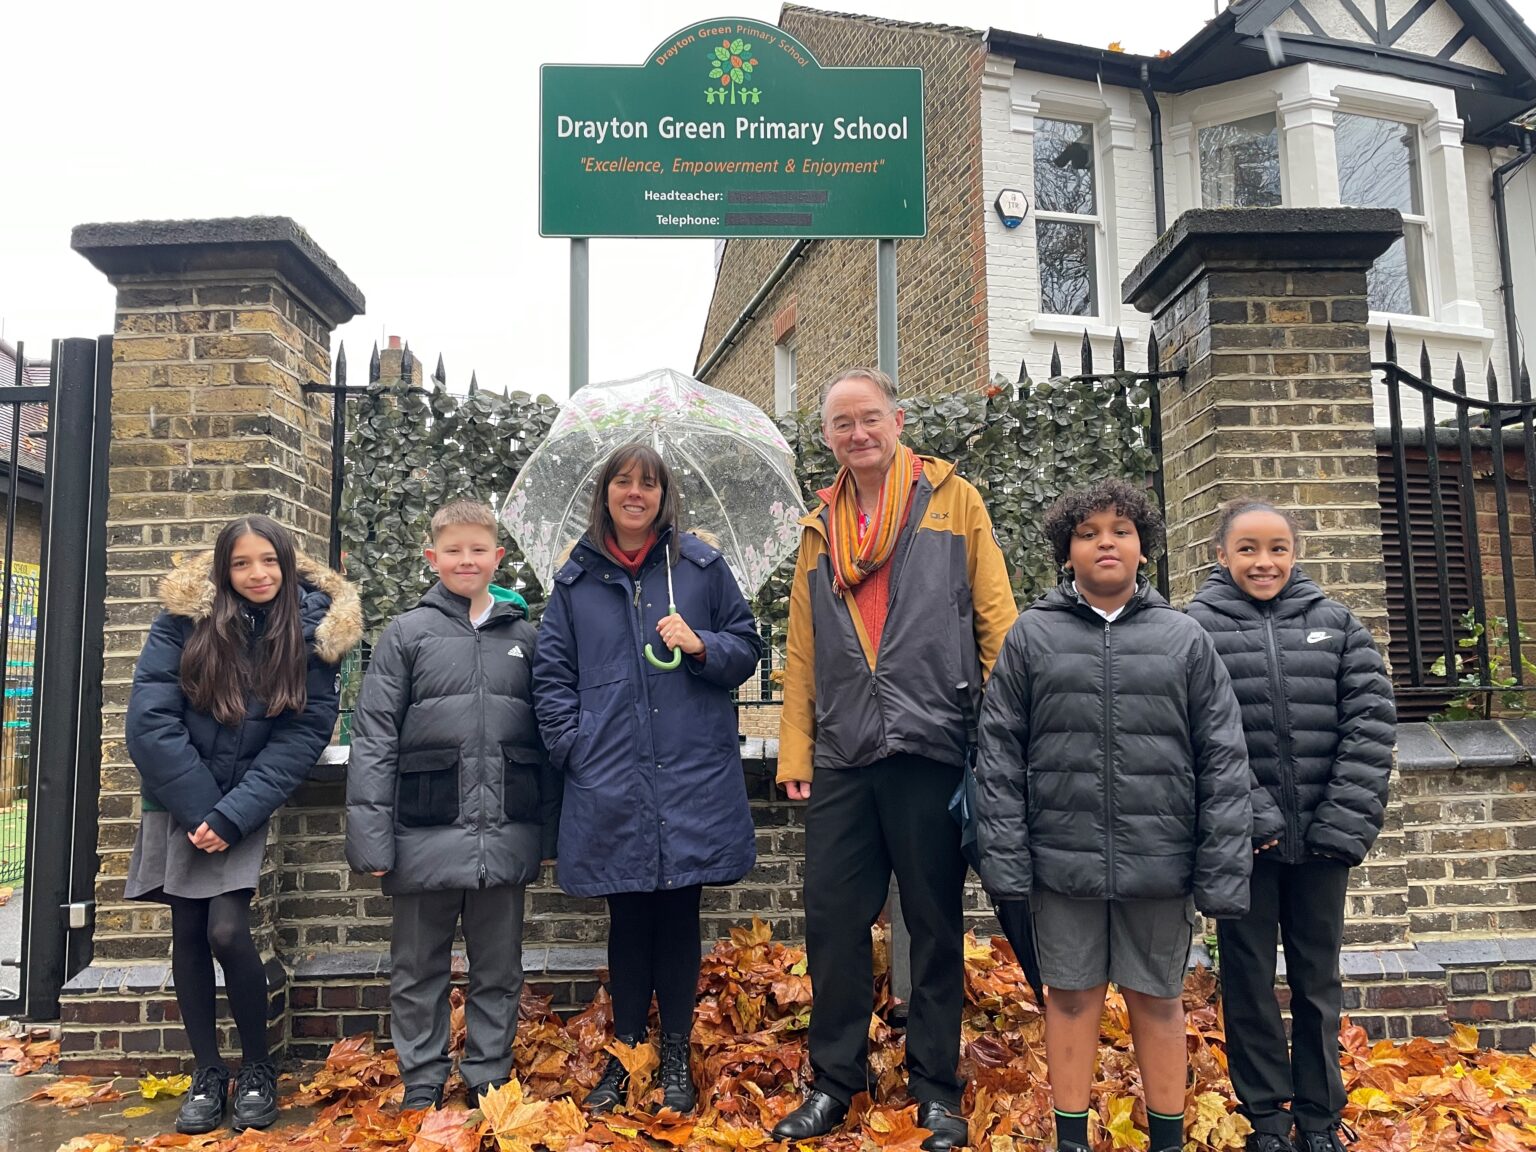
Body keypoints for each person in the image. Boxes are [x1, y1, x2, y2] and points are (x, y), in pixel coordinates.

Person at [772, 367, 1017, 1152]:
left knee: (936, 924)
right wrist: (795, 749)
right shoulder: (819, 528)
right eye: (841, 424)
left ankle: (936, 1088)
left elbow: (997, 622)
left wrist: (1004, 736)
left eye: (868, 418)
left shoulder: (953, 501)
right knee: (832, 923)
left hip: (933, 741)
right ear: (828, 438)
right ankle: (834, 1081)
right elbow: (801, 651)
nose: (857, 434)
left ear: (897, 419)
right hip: (845, 751)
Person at [973, 478, 1255, 1152]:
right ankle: (1071, 1138)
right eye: (1089, 532)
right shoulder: (1030, 639)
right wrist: (1006, 860)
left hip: (1160, 862)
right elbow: (1000, 755)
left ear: (1143, 549)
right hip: (1060, 861)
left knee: (1158, 1002)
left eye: (1121, 531)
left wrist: (1220, 866)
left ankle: (1166, 1139)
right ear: (1066, 552)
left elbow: (1223, 757)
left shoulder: (1184, 640)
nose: (1106, 541)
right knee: (1068, 1000)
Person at [532, 443, 761, 1115]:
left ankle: (677, 1054)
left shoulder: (699, 568)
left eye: (649, 484)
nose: (636, 493)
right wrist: (575, 745)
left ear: (665, 496)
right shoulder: (574, 584)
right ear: (605, 494)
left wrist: (701, 645)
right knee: (628, 918)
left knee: (680, 914)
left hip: (690, 775)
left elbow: (745, 647)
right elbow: (551, 678)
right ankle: (627, 1051)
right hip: (611, 781)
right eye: (623, 482)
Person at [125, 516, 360, 1135]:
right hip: (178, 798)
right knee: (189, 930)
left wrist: (229, 815)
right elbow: (150, 717)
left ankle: (257, 1067)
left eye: (269, 562)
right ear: (223, 570)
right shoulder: (183, 620)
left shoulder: (314, 633)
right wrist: (199, 808)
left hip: (241, 803)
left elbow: (302, 735)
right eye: (242, 563)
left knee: (228, 931)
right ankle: (208, 1072)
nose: (257, 574)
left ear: (286, 565)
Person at [1187, 500, 1395, 1152]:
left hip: (1322, 847)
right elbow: (1196, 733)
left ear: (1295, 553)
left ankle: (1320, 1119)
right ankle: (1266, 1122)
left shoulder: (1337, 626)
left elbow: (1370, 727)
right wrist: (1254, 817)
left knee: (1317, 985)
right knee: (1247, 985)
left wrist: (1339, 824)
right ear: (1221, 555)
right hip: (1244, 846)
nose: (1264, 561)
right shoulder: (1195, 632)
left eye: (1277, 548)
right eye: (1247, 548)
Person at [346, 499, 555, 1112]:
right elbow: (374, 738)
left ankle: (488, 1074)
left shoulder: (526, 639)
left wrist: (547, 836)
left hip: (505, 833)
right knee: (417, 971)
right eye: (453, 550)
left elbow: (546, 743)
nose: (467, 560)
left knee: (500, 969)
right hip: (421, 832)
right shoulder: (406, 635)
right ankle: (423, 1078)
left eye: (478, 549)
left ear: (498, 557)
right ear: (432, 558)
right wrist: (373, 840)